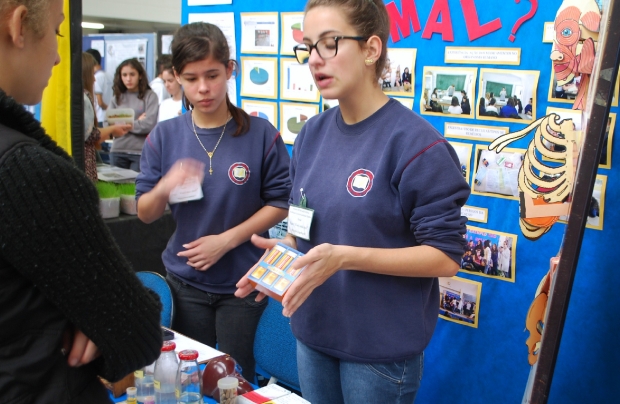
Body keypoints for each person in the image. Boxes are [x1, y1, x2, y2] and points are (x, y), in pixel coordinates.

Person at [236, 0, 470, 402]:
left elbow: (445, 256)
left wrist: (344, 257)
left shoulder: (416, 145)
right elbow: (304, 226)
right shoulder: (311, 134)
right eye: (308, 46)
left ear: (371, 49)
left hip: (378, 354)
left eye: (330, 43)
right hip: (313, 336)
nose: (314, 60)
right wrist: (287, 255)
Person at [0, 1, 163, 402]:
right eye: (56, 33)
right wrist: (99, 315)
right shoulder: (28, 174)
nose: (58, 56)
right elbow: (135, 331)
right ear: (20, 26)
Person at [135, 22, 291, 382]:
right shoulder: (166, 135)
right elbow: (145, 212)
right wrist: (164, 189)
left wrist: (227, 241)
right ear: (176, 77)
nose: (203, 88)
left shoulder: (260, 134)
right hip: (185, 282)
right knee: (189, 375)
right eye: (190, 78)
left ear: (230, 70)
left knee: (235, 378)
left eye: (212, 75)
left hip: (242, 283)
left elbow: (280, 202)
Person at [82, 52, 131, 182]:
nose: (94, 80)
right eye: (92, 74)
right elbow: (91, 135)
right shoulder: (84, 98)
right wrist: (112, 129)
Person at [109, 58, 159, 171]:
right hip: (117, 150)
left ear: (140, 75)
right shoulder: (117, 98)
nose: (128, 79)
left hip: (139, 152)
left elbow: (149, 124)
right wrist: (136, 120)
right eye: (124, 75)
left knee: (135, 187)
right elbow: (109, 125)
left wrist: (121, 121)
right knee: (115, 188)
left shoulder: (150, 96)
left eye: (132, 74)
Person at [85, 48, 113, 126]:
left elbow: (100, 102)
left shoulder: (97, 77)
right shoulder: (109, 75)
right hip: (109, 117)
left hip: (100, 117)